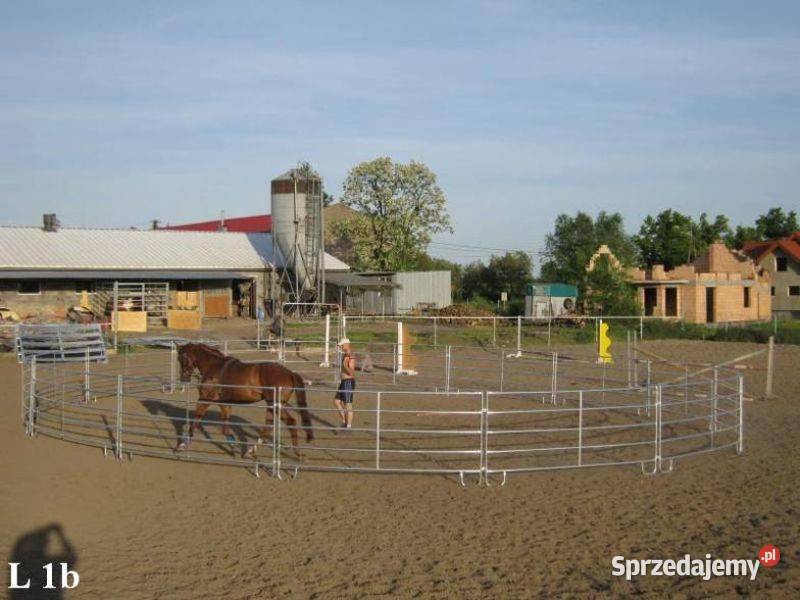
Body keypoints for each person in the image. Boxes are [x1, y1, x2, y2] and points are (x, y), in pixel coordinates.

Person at [334, 338, 356, 428]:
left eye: (342, 345)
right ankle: (344, 421)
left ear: (346, 344)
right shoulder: (346, 355)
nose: (341, 347)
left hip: (348, 382)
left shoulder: (350, 355)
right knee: (336, 401)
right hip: (344, 381)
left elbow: (351, 372)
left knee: (348, 404)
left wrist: (344, 365)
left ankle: (348, 426)